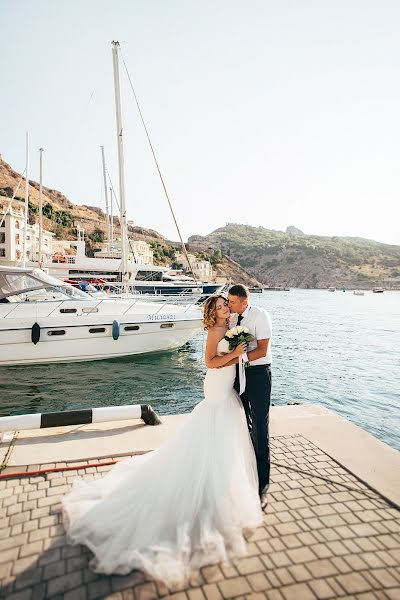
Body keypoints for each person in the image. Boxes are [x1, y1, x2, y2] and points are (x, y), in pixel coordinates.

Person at [62, 295, 263, 587]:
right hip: (217, 388)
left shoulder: (231, 324)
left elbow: (247, 330)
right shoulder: (215, 331)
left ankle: (216, 489)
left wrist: (244, 343)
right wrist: (235, 354)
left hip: (227, 389)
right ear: (212, 313)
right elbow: (209, 361)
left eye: (225, 305)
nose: (224, 309)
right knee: (212, 431)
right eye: (219, 307)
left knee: (224, 440)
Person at [227, 284, 272, 510]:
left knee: (260, 428)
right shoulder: (232, 319)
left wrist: (236, 359)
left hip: (258, 374)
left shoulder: (259, 316)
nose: (229, 305)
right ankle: (245, 473)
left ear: (244, 301)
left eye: (232, 302)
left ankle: (262, 485)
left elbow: (262, 350)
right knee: (242, 424)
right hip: (238, 374)